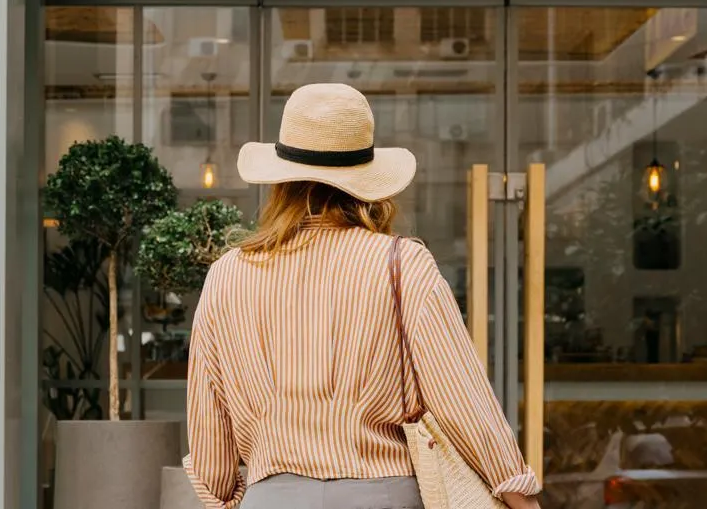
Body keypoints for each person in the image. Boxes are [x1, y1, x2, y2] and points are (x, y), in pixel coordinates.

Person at [185, 83, 542, 509]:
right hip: (384, 496)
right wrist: (519, 495)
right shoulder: (402, 264)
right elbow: (464, 404)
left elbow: (211, 451)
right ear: (368, 181)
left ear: (280, 180)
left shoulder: (227, 276)